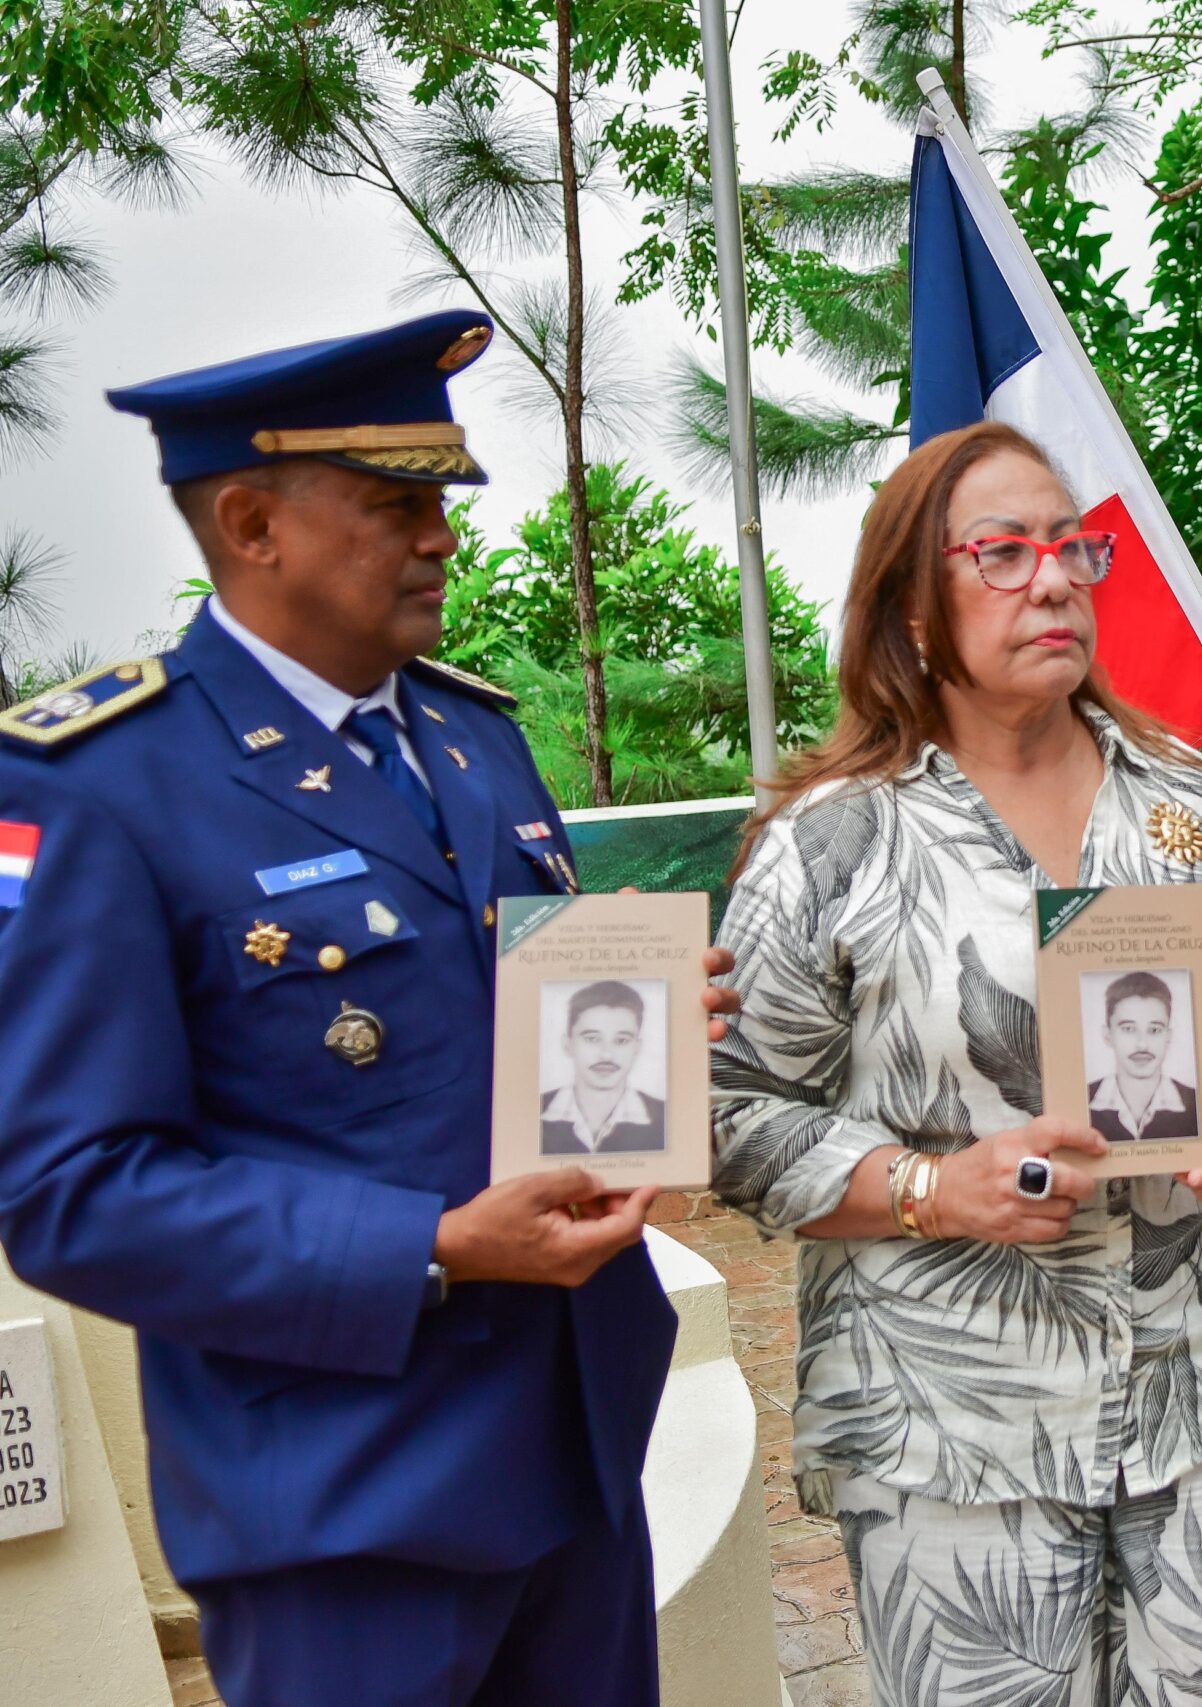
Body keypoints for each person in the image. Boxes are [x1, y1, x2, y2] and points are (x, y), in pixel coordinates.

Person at [0, 311, 743, 1706]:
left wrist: (640, 1025)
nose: (441, 535)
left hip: (576, 1454)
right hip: (345, 1512)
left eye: (443, 499)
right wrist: (437, 1245)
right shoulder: (95, 781)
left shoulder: (476, 735)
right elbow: (69, 1193)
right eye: (396, 502)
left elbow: (485, 1038)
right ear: (251, 521)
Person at [709, 420, 1202, 1704]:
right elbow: (729, 1112)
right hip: (949, 1420)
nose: (1053, 579)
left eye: (1071, 547)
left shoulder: (1194, 803)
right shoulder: (831, 845)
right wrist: (933, 1190)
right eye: (1002, 552)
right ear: (912, 606)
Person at [542, 980, 670, 1154]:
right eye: (592, 1038)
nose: (606, 1055)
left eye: (621, 1040)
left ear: (637, 1047)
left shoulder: (668, 1118)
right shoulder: (531, 1113)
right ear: (568, 1044)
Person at [1087, 970, 1202, 1143]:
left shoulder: (1199, 1106)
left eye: (1154, 1029)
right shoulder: (1080, 1101)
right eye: (1128, 1029)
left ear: (1168, 1036)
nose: (1142, 1044)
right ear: (1107, 1035)